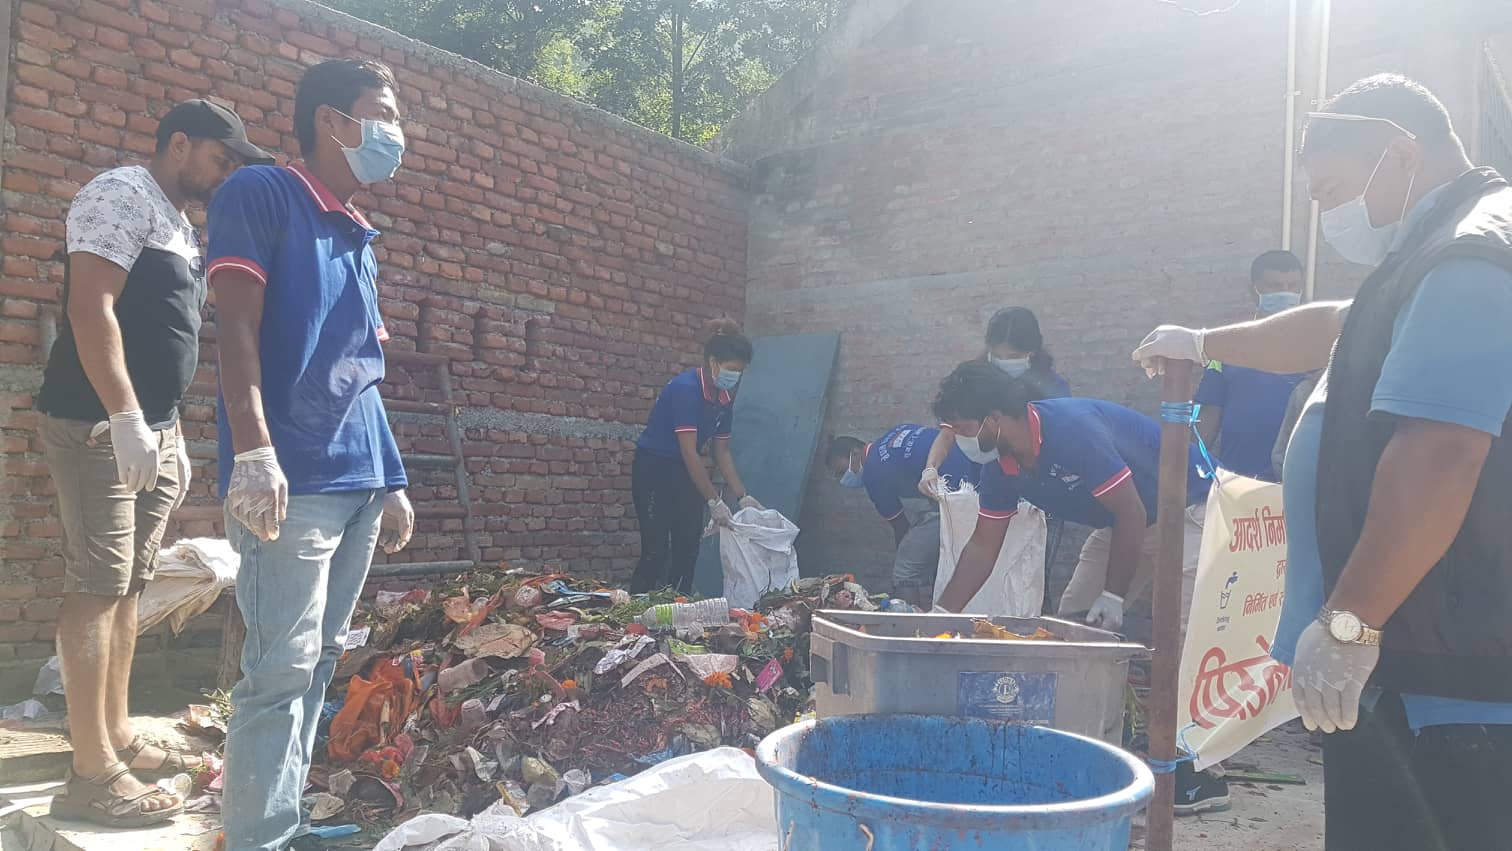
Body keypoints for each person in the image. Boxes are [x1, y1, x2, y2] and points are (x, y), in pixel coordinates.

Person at [1135, 74, 1512, 849]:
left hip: (1456, 686)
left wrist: (1350, 622)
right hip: (1414, 666)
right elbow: (1335, 324)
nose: (1329, 215)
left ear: (1398, 153)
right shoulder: (1426, 256)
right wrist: (1204, 343)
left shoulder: (1469, 254)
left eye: (1333, 190)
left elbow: (1441, 453)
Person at [35, 100, 269, 829]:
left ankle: (117, 735)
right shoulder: (118, 194)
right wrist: (126, 416)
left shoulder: (178, 221)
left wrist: (168, 435)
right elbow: (91, 309)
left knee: (131, 585)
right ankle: (89, 773)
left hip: (152, 431)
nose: (225, 175)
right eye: (220, 160)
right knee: (96, 586)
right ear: (179, 145)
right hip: (98, 425)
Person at [210, 59, 416, 851]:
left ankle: (284, 823)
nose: (396, 132)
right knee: (279, 670)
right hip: (292, 482)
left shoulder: (358, 233)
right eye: (383, 113)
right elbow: (235, 325)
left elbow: (363, 371)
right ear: (332, 120)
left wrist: (391, 478)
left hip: (358, 478)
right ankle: (256, 838)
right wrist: (253, 452)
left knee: (322, 660)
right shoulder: (262, 193)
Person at [930, 361, 1228, 814]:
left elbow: (1130, 511)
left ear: (993, 419)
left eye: (962, 428)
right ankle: (1095, 743)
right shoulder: (1001, 465)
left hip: (1191, 509)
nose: (958, 440)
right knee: (1072, 631)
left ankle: (1201, 772)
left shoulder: (1071, 430)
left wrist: (1114, 596)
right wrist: (939, 617)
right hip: (1126, 520)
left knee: (1189, 642)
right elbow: (982, 547)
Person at [630, 319, 761, 594]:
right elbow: (689, 451)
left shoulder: (723, 398)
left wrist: (742, 496)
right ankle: (637, 605)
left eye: (740, 371)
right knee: (656, 550)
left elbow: (721, 450)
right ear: (713, 362)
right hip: (655, 468)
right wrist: (714, 501)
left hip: (685, 471)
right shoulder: (687, 389)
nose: (735, 376)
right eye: (732, 369)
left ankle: (678, 607)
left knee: (688, 546)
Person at [919, 307, 1069, 498]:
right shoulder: (977, 381)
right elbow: (950, 429)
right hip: (989, 480)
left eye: (1013, 357)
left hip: (1038, 481)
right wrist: (931, 468)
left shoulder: (1052, 388)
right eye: (997, 356)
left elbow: (1060, 443)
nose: (1004, 362)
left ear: (1032, 351)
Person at [824, 426, 981, 607]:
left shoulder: (873, 474)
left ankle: (910, 621)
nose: (843, 479)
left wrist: (906, 552)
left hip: (960, 497)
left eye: (841, 472)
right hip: (976, 474)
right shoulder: (895, 433)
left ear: (855, 454)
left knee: (906, 568)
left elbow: (900, 526)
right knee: (929, 553)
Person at [1191, 251, 1309, 481]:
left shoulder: (1319, 346)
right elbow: (1209, 415)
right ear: (1254, 289)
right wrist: (1191, 469)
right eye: (1275, 286)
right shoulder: (1228, 346)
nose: (1286, 292)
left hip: (1301, 481)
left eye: (1293, 285)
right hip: (1241, 481)